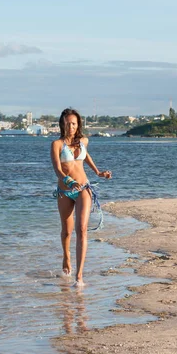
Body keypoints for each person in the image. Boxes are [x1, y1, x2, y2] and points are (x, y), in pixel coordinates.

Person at [51, 108, 112, 287]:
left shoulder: (84, 141)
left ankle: (79, 276)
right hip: (64, 191)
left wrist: (98, 172)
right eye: (68, 123)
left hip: (84, 188)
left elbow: (85, 157)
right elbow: (57, 169)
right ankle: (66, 256)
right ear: (62, 123)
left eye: (74, 123)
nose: (71, 126)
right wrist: (68, 181)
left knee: (82, 229)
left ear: (78, 125)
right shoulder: (56, 144)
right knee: (67, 231)